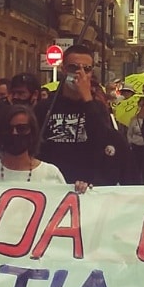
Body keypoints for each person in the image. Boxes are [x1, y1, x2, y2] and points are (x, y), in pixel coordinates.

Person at [0, 105, 90, 192]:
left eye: (22, 129)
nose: (14, 133)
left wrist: (81, 192)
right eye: (9, 129)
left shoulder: (50, 174)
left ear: (32, 132)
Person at [35, 44, 115, 186]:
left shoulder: (97, 108)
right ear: (63, 70)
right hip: (51, 184)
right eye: (74, 68)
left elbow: (102, 141)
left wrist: (87, 98)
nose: (80, 73)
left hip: (84, 186)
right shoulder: (46, 106)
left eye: (86, 69)